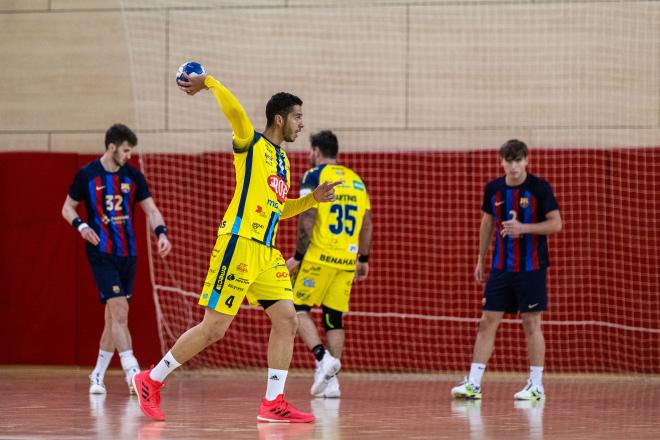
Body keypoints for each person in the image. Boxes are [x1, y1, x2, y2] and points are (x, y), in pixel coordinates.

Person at [132, 70, 340, 423]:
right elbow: (235, 113)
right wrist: (208, 81)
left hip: (266, 251)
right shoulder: (251, 143)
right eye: (297, 117)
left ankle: (273, 402)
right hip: (238, 244)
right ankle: (150, 380)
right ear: (280, 118)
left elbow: (279, 208)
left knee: (288, 319)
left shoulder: (284, 161)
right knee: (214, 328)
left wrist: (312, 201)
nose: (301, 125)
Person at [61, 124, 172, 395]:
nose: (128, 156)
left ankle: (97, 375)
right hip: (101, 253)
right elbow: (67, 207)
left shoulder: (133, 176)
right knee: (120, 310)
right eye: (125, 150)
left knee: (114, 318)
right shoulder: (87, 175)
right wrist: (82, 227)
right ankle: (132, 372)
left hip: (128, 255)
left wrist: (162, 234)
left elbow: (152, 210)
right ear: (111, 147)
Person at [451, 139, 562, 401]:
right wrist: (481, 259)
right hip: (501, 268)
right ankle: (473, 384)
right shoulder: (494, 189)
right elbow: (487, 223)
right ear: (501, 161)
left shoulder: (539, 188)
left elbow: (556, 224)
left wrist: (524, 229)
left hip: (531, 268)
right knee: (487, 321)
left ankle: (536, 385)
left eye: (518, 160)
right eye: (508, 160)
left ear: (526, 161)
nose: (513, 166)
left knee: (531, 322)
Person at [285, 130, 372, 398]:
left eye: (311, 151)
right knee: (333, 319)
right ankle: (332, 384)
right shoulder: (356, 181)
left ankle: (323, 359)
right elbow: (367, 223)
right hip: (346, 259)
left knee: (297, 309)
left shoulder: (314, 176)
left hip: (318, 257)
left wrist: (298, 256)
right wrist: (364, 259)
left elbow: (307, 217)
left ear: (317, 151)